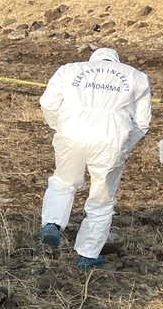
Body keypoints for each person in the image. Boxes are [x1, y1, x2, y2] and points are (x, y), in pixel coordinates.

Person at [38, 47, 151, 269]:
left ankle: (52, 223)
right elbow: (142, 122)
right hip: (111, 137)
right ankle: (88, 255)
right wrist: (125, 145)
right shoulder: (135, 76)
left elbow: (48, 103)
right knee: (102, 197)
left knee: (64, 181)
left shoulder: (70, 70)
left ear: (93, 59)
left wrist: (60, 127)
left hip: (72, 131)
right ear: (116, 60)